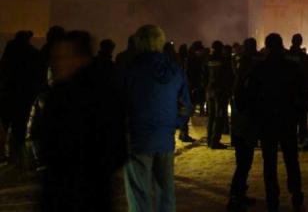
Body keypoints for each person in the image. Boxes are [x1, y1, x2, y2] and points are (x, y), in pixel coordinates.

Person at [41, 30, 126, 212]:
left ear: (81, 58)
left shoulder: (101, 95)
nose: (56, 63)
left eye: (63, 57)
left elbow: (116, 148)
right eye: (55, 57)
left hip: (89, 193)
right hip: (62, 192)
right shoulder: (58, 93)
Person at [122, 25, 192, 212]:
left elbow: (117, 103)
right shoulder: (175, 70)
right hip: (165, 139)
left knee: (139, 194)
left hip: (138, 139)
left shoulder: (130, 69)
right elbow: (186, 106)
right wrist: (173, 125)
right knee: (166, 193)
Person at [246, 33, 305, 212]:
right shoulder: (292, 68)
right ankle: (296, 196)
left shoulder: (260, 69)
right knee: (291, 161)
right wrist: (300, 120)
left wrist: (255, 123)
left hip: (267, 122)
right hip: (287, 121)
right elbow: (302, 97)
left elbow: (251, 98)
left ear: (268, 47)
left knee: (269, 163)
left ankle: (273, 199)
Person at [227, 38, 261, 212]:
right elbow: (244, 100)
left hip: (242, 123)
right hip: (245, 124)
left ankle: (239, 194)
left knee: (244, 162)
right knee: (243, 163)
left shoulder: (241, 67)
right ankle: (235, 197)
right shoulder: (247, 71)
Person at [0, 30, 41, 165]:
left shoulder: (10, 52)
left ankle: (6, 155)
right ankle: (15, 157)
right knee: (19, 128)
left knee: (5, 124)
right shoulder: (33, 54)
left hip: (8, 96)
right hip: (23, 97)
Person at [205, 41, 234, 149]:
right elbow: (228, 76)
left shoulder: (208, 59)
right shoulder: (224, 60)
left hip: (209, 91)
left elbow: (204, 76)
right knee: (219, 116)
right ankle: (215, 141)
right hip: (220, 92)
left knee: (211, 115)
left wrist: (206, 88)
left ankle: (209, 139)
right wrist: (228, 90)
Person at [286, 33, 308, 144]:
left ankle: (289, 137)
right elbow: (307, 74)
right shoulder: (303, 57)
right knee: (302, 117)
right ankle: (302, 137)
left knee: (289, 116)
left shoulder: (286, 55)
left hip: (287, 90)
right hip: (301, 91)